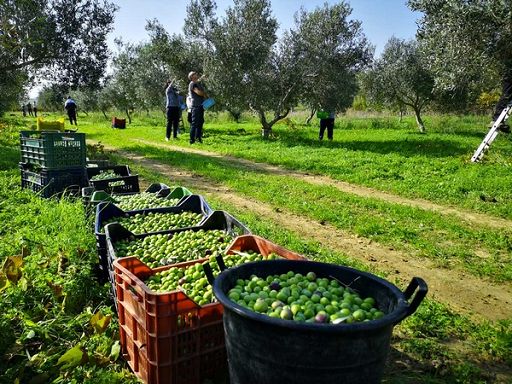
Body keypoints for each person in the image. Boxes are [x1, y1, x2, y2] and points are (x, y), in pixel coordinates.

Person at [187, 71, 208, 144]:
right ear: (192, 76)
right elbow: (198, 92)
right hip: (195, 106)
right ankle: (192, 140)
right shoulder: (192, 84)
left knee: (200, 122)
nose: (197, 75)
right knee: (194, 123)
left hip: (200, 106)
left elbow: (200, 81)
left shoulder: (197, 83)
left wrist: (203, 77)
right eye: (195, 74)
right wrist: (204, 94)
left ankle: (198, 138)